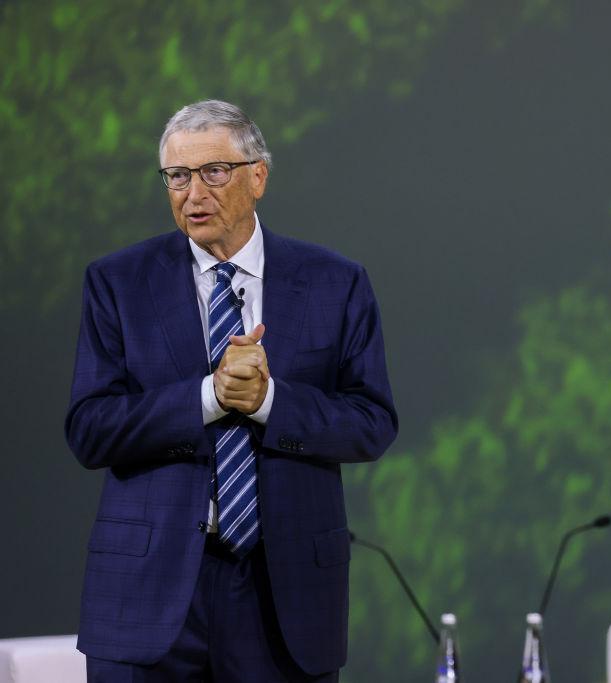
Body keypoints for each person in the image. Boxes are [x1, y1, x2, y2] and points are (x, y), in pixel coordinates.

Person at [65, 100, 399, 682]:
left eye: (214, 172)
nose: (193, 194)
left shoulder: (335, 282)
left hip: (283, 596)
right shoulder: (117, 282)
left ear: (258, 176)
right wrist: (209, 398)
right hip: (150, 595)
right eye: (177, 176)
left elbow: (371, 422)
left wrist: (269, 402)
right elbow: (91, 430)